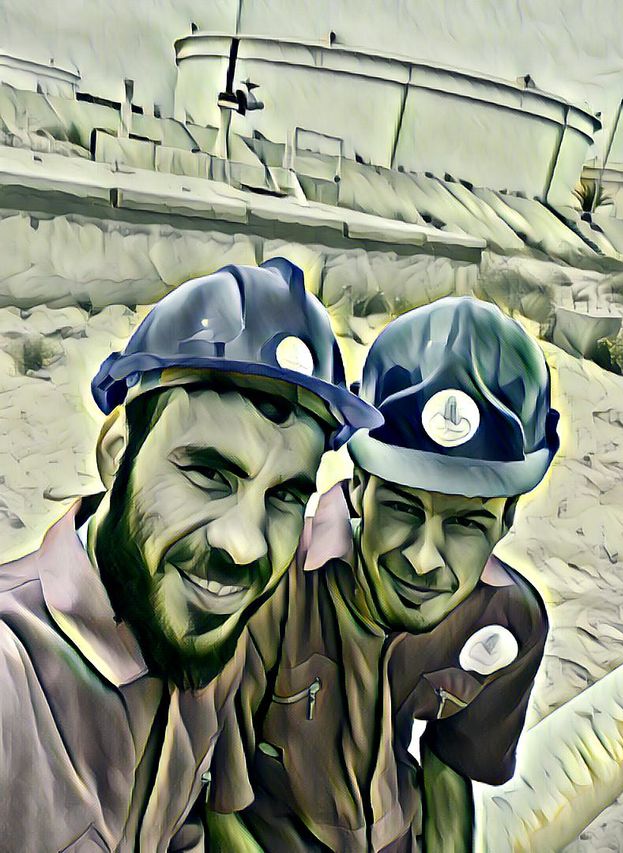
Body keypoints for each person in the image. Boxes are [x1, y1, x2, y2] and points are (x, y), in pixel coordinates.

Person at [0, 258, 379, 852]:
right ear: (117, 454)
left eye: (285, 496)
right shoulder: (11, 676)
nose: (246, 545)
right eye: (208, 473)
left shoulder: (207, 637)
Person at [205, 296, 560, 852]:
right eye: (401, 507)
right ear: (358, 485)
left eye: (467, 522)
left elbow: (449, 767)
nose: (423, 559)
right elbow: (217, 809)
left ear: (507, 518)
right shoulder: (273, 587)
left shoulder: (508, 621)